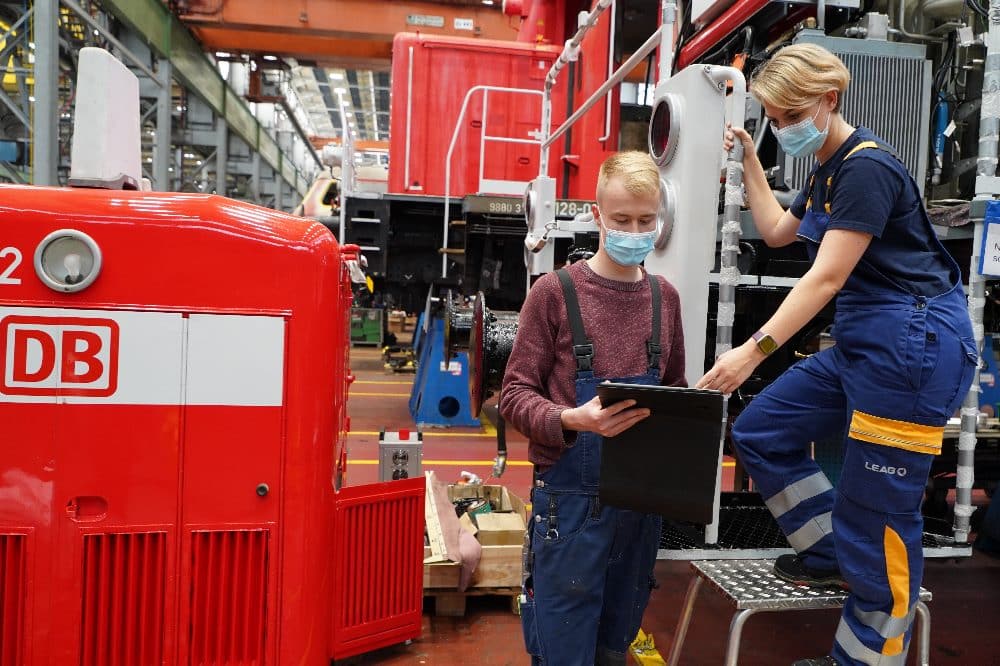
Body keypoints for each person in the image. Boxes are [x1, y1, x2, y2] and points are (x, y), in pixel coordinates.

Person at [696, 43, 978, 666]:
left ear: (828, 100)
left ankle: (865, 658)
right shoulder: (826, 166)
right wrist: (750, 161)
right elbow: (776, 231)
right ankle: (829, 551)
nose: (781, 127)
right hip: (867, 343)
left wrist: (752, 351)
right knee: (762, 431)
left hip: (913, 351)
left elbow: (824, 279)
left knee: (876, 517)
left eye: (789, 114)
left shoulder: (865, 169)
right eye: (772, 116)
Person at [500, 150, 686, 665]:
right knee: (563, 650)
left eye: (645, 220)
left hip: (638, 508)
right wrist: (568, 420)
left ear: (660, 218)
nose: (634, 230)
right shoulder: (554, 294)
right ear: (597, 215)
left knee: (614, 646)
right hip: (570, 506)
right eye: (621, 219)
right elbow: (513, 395)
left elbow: (673, 388)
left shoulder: (663, 298)